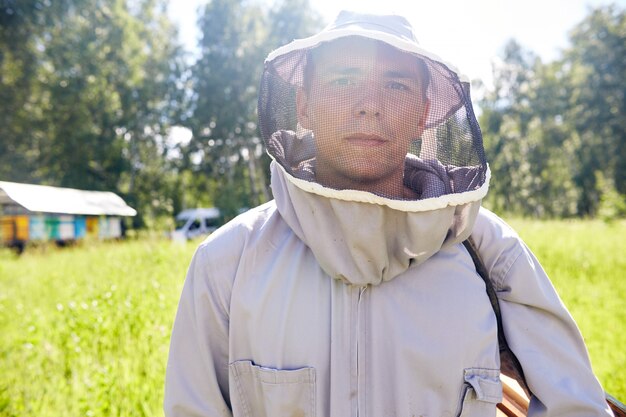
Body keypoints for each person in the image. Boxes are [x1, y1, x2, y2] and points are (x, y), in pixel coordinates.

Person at [164, 11, 613, 417]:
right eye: (343, 81)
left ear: (422, 116)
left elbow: (577, 407)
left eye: (395, 86)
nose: (369, 105)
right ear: (304, 106)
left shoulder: (490, 250)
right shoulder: (228, 262)